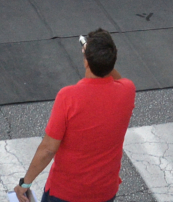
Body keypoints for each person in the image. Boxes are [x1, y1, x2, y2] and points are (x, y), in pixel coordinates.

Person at [15, 29, 135, 202]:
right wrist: (101, 59)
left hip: (67, 193)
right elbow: (115, 78)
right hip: (105, 191)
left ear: (86, 61)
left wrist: (24, 184)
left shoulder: (68, 97)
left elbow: (48, 149)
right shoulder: (127, 90)